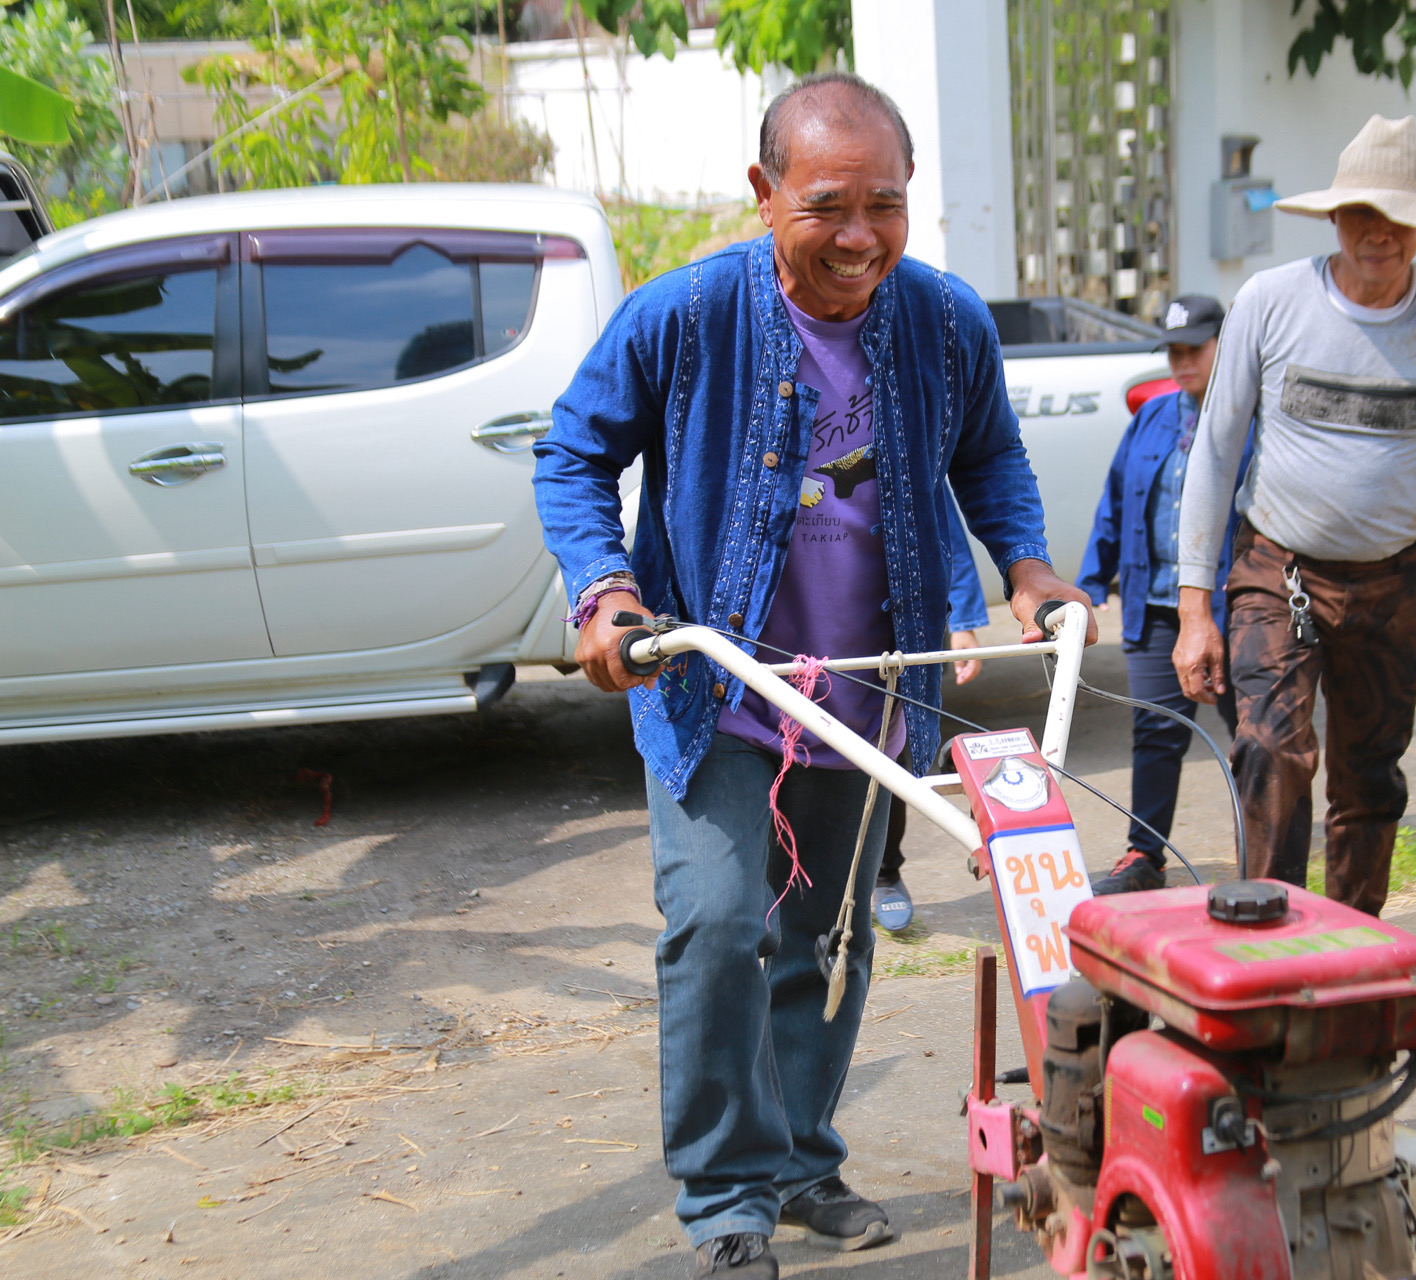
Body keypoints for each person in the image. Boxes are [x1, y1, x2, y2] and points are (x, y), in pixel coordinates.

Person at [533, 72, 1093, 1280]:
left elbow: (991, 458)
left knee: (831, 934)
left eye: (885, 205)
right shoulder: (684, 316)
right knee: (721, 922)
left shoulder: (943, 322)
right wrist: (605, 591)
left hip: (872, 687)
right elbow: (573, 452)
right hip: (719, 684)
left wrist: (1032, 573)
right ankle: (726, 1197)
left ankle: (799, 1160)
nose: (859, 236)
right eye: (828, 204)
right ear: (764, 191)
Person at [1173, 114, 1416, 918]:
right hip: (1280, 571)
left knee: (1370, 783)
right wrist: (1194, 609)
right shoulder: (1271, 302)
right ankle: (1268, 954)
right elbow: (1216, 451)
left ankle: (1351, 961)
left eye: (1400, 218)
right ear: (1335, 218)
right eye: (1363, 214)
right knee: (1271, 752)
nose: (1381, 235)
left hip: (1393, 585)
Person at [1076, 295, 1248, 894]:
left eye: (1193, 349)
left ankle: (1264, 846)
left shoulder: (1253, 420)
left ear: (1225, 345)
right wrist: (1092, 582)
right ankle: (1144, 856)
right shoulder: (1151, 418)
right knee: (1155, 730)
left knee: (1252, 732)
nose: (1181, 362)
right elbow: (1116, 503)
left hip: (1232, 607)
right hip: (1154, 606)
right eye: (1172, 351)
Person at [872, 485, 986, 932]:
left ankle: (885, 872)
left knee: (890, 755)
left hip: (901, 625)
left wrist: (964, 622)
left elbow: (946, 531)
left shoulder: (905, 426)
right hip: (803, 629)